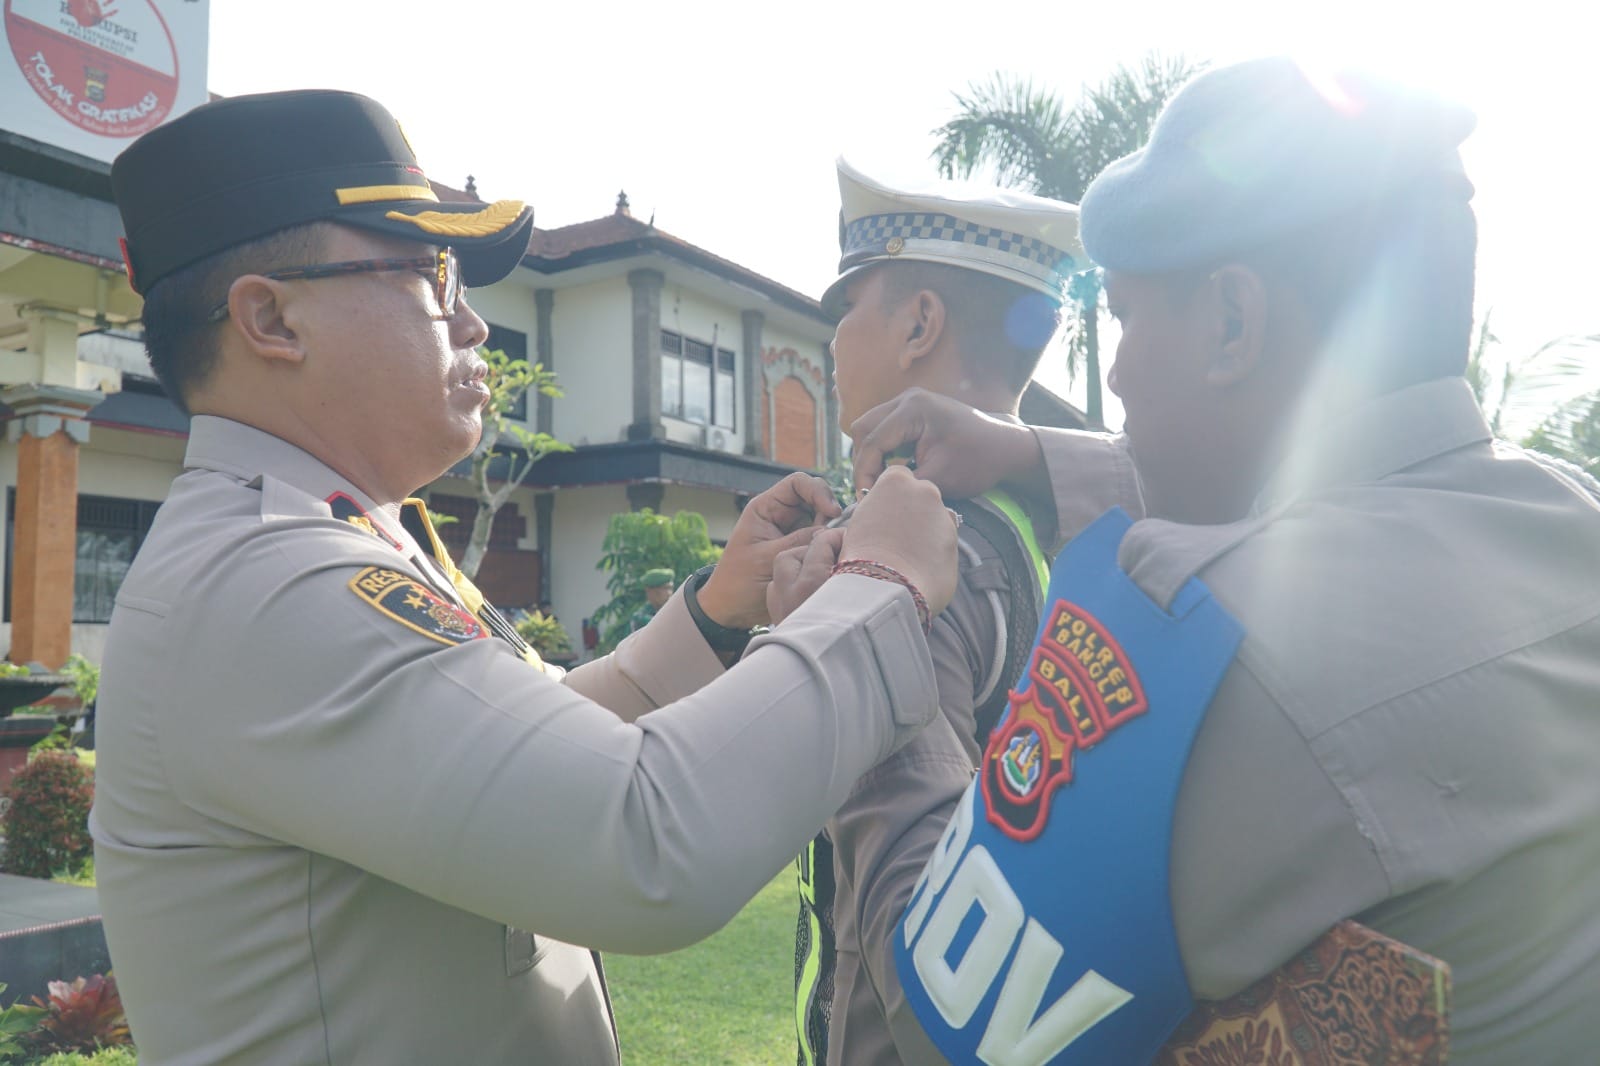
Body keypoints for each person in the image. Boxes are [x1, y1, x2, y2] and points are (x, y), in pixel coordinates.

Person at [89, 89, 960, 1065]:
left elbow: (540, 743)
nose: (471, 324)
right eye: (431, 275)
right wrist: (881, 584)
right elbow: (643, 842)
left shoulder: (322, 540)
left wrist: (719, 612)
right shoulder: (269, 581)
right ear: (271, 319)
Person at [841, 57, 1600, 1063]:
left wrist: (876, 640)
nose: (1114, 371)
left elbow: (943, 1010)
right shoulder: (1566, 515)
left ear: (1232, 322)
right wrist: (1025, 454)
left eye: (1124, 318)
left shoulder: (1198, 654)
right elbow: (1286, 489)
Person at [790, 160, 1082, 1066]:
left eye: (846, 309)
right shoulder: (1039, 531)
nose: (832, 342)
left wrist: (842, 638)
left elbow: (928, 949)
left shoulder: (918, 560)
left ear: (919, 324)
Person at [630, 568, 675, 632]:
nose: (669, 593)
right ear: (650, 591)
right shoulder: (640, 618)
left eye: (670, 588)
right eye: (665, 588)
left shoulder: (675, 612)